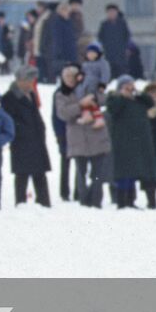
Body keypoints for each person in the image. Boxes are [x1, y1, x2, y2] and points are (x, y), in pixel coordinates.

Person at [55, 63, 113, 208]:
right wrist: (80, 105)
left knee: (98, 172)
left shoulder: (89, 88)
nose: (69, 80)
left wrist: (93, 97)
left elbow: (104, 99)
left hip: (97, 136)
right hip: (77, 138)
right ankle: (84, 199)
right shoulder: (61, 94)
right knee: (81, 173)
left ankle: (96, 199)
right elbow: (63, 113)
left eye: (71, 76)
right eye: (66, 77)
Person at [1, 65, 51, 206]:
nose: (32, 83)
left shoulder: (32, 95)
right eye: (30, 80)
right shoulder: (9, 98)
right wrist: (23, 132)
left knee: (40, 175)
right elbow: (9, 121)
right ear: (20, 80)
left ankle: (44, 203)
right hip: (21, 143)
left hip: (36, 142)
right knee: (22, 176)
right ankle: (20, 204)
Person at [106, 76, 155, 209]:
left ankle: (131, 200)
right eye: (126, 85)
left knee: (133, 173)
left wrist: (138, 93)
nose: (129, 88)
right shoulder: (114, 99)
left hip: (137, 143)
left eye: (131, 85)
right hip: (122, 143)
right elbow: (113, 110)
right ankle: (121, 201)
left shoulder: (139, 101)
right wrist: (122, 96)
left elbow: (150, 102)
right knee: (123, 174)